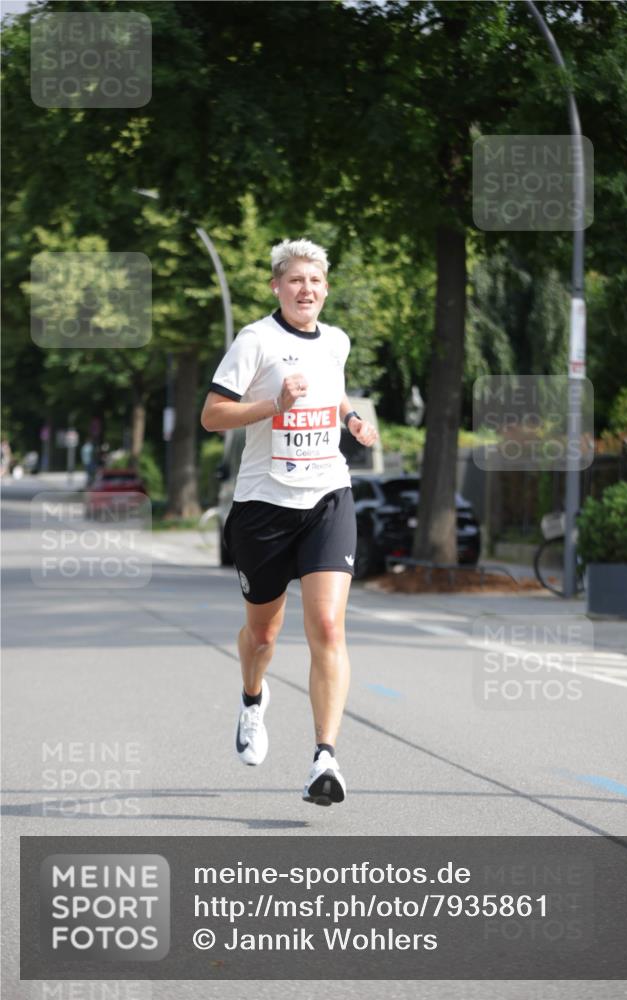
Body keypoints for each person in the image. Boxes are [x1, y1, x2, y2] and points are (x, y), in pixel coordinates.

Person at [201, 238, 377, 806]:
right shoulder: (255, 339)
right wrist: (273, 405)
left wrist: (352, 419)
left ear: (326, 288)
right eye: (296, 280)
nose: (307, 290)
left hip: (327, 495)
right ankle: (253, 700)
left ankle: (325, 758)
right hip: (263, 507)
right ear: (277, 286)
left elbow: (336, 391)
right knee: (264, 634)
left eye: (316, 281)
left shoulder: (336, 341)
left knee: (327, 627)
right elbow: (212, 414)